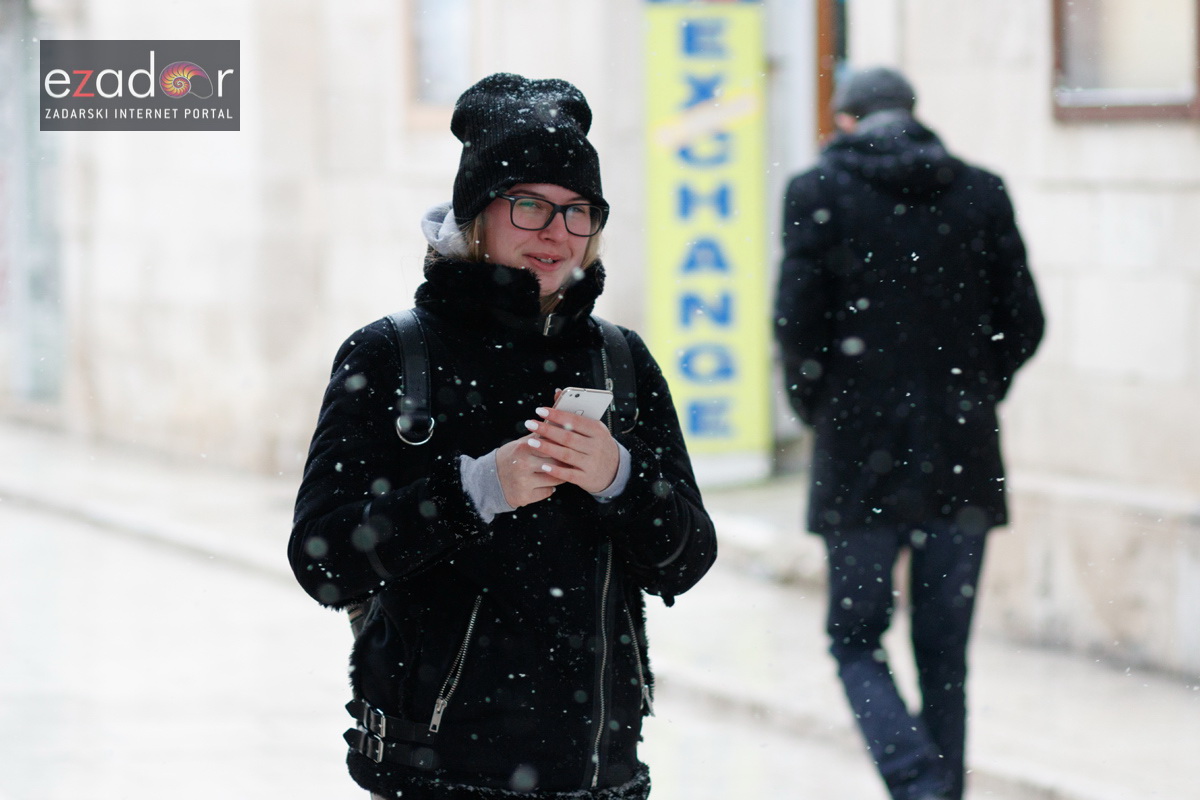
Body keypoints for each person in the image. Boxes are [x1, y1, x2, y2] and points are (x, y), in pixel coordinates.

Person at [289, 72, 717, 800]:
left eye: (578, 210)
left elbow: (687, 557)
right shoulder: (393, 354)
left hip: (600, 776)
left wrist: (618, 476)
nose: (556, 232)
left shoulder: (622, 360)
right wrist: (475, 490)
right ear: (478, 215)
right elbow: (323, 560)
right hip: (434, 775)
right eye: (529, 205)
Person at [773, 66, 1044, 800]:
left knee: (855, 638)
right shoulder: (981, 190)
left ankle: (916, 782)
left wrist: (819, 409)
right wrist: (976, 390)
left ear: (848, 121)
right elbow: (1025, 322)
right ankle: (937, 788)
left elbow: (796, 327)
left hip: (859, 456)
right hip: (961, 454)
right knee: (945, 653)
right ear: (914, 115)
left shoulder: (817, 192)